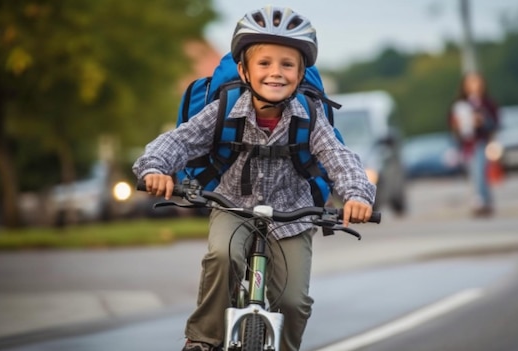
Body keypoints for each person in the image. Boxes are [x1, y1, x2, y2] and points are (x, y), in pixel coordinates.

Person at [132, 5, 376, 351]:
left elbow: (340, 158)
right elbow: (178, 141)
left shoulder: (309, 116)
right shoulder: (224, 109)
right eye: (264, 63)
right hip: (232, 207)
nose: (275, 73)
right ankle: (203, 339)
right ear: (245, 71)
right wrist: (154, 168)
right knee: (222, 256)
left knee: (293, 301)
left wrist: (357, 195)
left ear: (301, 72)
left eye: (287, 64)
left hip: (292, 216)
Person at [448, 71, 499, 217]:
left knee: (479, 169)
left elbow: (495, 123)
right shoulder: (460, 104)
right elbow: (452, 126)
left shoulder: (487, 103)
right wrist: (457, 124)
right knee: (474, 171)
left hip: (481, 141)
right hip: (466, 144)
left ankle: (480, 200)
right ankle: (485, 199)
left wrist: (482, 121)